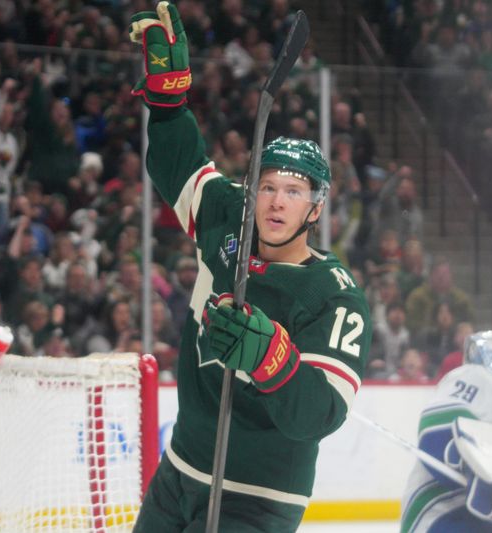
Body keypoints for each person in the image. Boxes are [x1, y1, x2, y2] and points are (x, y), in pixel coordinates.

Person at [129, 5, 371, 531]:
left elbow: (321, 414)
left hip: (259, 499)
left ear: (316, 208)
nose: (276, 201)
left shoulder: (336, 298)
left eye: (293, 191)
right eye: (266, 186)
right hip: (177, 476)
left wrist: (272, 360)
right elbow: (181, 166)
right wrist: (169, 105)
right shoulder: (225, 218)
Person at [401, 330, 492, 532]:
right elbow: (436, 433)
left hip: (476, 519)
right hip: (441, 513)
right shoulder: (480, 376)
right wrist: (470, 464)